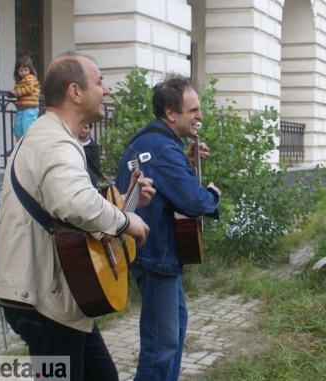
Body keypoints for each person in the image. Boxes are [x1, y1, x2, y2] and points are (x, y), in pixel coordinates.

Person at [0, 52, 155, 381]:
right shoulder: (55, 143)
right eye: (99, 82)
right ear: (75, 92)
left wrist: (125, 201)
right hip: (43, 298)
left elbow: (65, 208)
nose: (106, 91)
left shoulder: (52, 137)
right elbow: (75, 203)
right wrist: (127, 221)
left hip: (60, 294)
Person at [115, 73, 221, 381]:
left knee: (174, 329)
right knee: (161, 344)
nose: (200, 116)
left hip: (156, 253)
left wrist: (184, 161)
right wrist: (213, 194)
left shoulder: (155, 142)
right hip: (155, 254)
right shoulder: (161, 148)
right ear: (170, 114)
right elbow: (195, 202)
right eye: (193, 111)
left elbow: (166, 185)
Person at [9, 55, 41, 142]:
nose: (23, 72)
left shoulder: (31, 78)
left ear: (30, 69)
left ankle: (26, 146)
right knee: (18, 128)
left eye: (26, 70)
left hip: (30, 108)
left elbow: (29, 89)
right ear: (17, 70)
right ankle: (19, 146)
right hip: (21, 108)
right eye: (21, 70)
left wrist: (17, 92)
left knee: (26, 128)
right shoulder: (19, 80)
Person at [78, 123, 102, 187]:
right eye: (81, 127)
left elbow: (96, 166)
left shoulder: (94, 147)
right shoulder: (72, 143)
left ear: (90, 129)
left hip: (89, 179)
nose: (83, 130)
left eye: (86, 128)